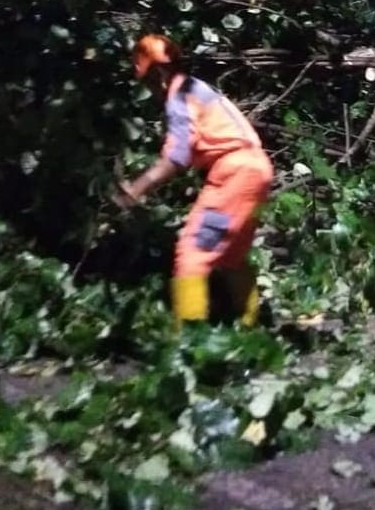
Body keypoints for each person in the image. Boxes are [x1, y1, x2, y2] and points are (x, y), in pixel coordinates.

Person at [113, 34, 274, 328]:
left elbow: (176, 156)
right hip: (258, 168)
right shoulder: (199, 89)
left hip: (235, 172)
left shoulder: (180, 97)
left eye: (148, 81)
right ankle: (251, 328)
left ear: (158, 72)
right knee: (232, 257)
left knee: (192, 252)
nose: (150, 90)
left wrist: (136, 189)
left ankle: (190, 337)